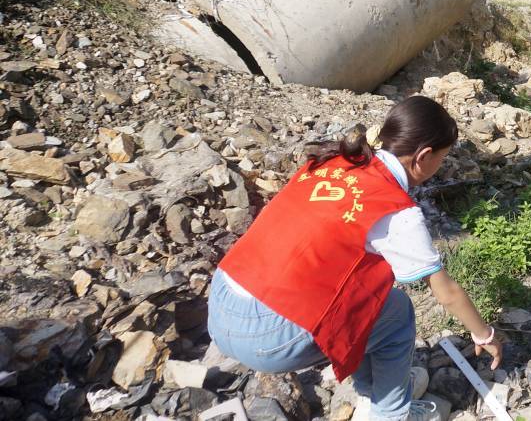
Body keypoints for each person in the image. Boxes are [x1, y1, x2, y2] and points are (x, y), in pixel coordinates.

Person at [207, 97, 503, 421]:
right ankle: (391, 415)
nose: (441, 166)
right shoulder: (396, 211)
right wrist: (484, 335)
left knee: (368, 303)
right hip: (266, 335)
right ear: (423, 157)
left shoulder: (335, 161)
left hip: (221, 302)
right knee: (397, 312)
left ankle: (374, 394)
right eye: (442, 158)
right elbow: (447, 293)